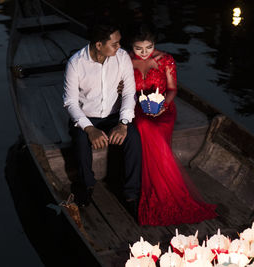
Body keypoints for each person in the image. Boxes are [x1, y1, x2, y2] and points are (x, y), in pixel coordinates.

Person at [127, 24, 217, 225]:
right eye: (138, 49)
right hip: (137, 107)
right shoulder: (125, 60)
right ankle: (151, 185)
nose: (143, 53)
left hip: (163, 109)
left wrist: (164, 106)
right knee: (143, 126)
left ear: (154, 44)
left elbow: (172, 89)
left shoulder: (166, 59)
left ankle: (165, 187)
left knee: (152, 129)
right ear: (131, 47)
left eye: (148, 48)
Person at [63, 22, 142, 217]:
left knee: (133, 138)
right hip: (87, 116)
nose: (119, 47)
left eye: (119, 43)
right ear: (99, 45)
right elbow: (70, 102)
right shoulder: (75, 63)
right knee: (81, 141)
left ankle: (131, 193)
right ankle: (86, 185)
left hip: (114, 116)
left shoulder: (122, 57)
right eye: (114, 44)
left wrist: (123, 124)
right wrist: (90, 129)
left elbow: (130, 92)